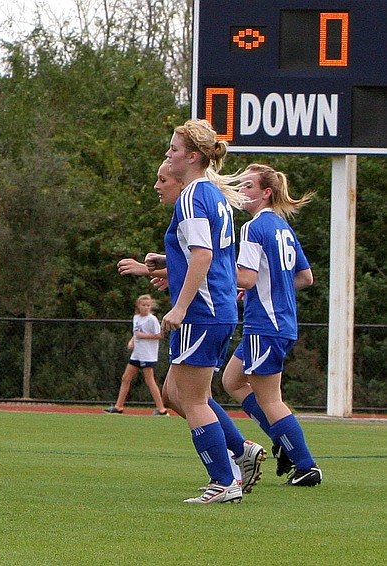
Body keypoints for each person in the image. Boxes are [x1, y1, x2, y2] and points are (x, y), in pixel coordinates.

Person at [144, 120, 265, 504]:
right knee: (174, 392)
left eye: (173, 150)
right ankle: (238, 454)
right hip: (216, 308)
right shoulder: (211, 194)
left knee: (192, 400)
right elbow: (209, 253)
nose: (168, 155)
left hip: (202, 311)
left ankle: (225, 480)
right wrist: (170, 262)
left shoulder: (194, 195)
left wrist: (179, 307)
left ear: (193, 156)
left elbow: (204, 254)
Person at [221, 164, 321, 487]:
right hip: (279, 323)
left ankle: (305, 465)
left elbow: (246, 278)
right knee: (232, 380)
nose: (241, 191)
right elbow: (306, 277)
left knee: (269, 399)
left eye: (247, 186)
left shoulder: (253, 228)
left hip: (265, 324)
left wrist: (212, 272)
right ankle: (284, 439)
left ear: (266, 193)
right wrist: (273, 286)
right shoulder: (283, 228)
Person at [104, 294, 168, 415]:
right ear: (138, 305)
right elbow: (136, 333)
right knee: (125, 378)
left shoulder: (152, 319)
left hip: (147, 354)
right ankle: (119, 406)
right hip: (137, 354)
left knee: (149, 380)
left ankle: (162, 409)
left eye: (148, 305)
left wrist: (143, 336)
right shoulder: (137, 318)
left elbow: (160, 335)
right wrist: (132, 341)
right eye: (143, 305)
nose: (146, 307)